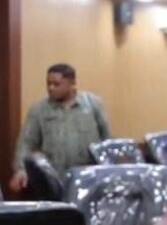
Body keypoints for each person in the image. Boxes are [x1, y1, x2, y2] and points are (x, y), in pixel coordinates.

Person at [9, 63, 111, 191]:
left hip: (88, 180)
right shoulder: (39, 110)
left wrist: (109, 172)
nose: (51, 88)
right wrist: (21, 170)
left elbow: (107, 140)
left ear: (72, 83)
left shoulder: (93, 105)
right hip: (52, 181)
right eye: (48, 84)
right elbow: (26, 143)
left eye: (56, 84)